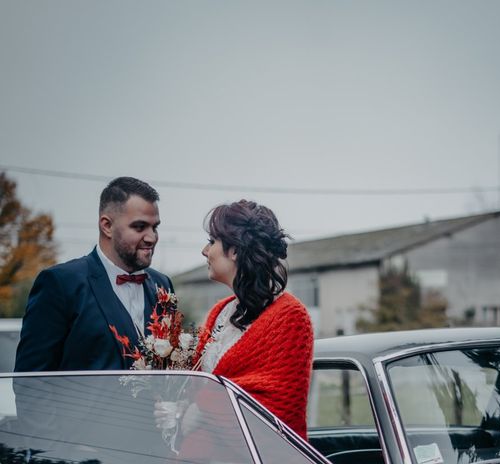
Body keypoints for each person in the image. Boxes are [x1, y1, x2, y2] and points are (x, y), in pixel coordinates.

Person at [14, 176, 174, 371]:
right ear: (107, 226)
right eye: (139, 227)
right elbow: (31, 382)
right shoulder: (60, 284)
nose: (151, 237)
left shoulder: (162, 285)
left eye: (154, 227)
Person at [192, 199, 314, 439]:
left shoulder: (290, 317)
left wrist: (199, 412)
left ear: (235, 250)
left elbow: (278, 410)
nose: (205, 251)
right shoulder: (219, 312)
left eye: (212, 242)